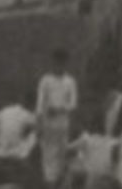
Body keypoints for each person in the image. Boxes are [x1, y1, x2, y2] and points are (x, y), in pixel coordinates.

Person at [36, 48, 78, 187]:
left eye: (62, 62)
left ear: (65, 63)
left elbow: (73, 103)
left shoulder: (70, 81)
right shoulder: (45, 80)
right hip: (48, 126)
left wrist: (59, 109)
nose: (59, 65)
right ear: (53, 62)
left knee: (62, 158)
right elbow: (39, 104)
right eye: (56, 62)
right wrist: (39, 124)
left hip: (63, 126)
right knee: (48, 159)